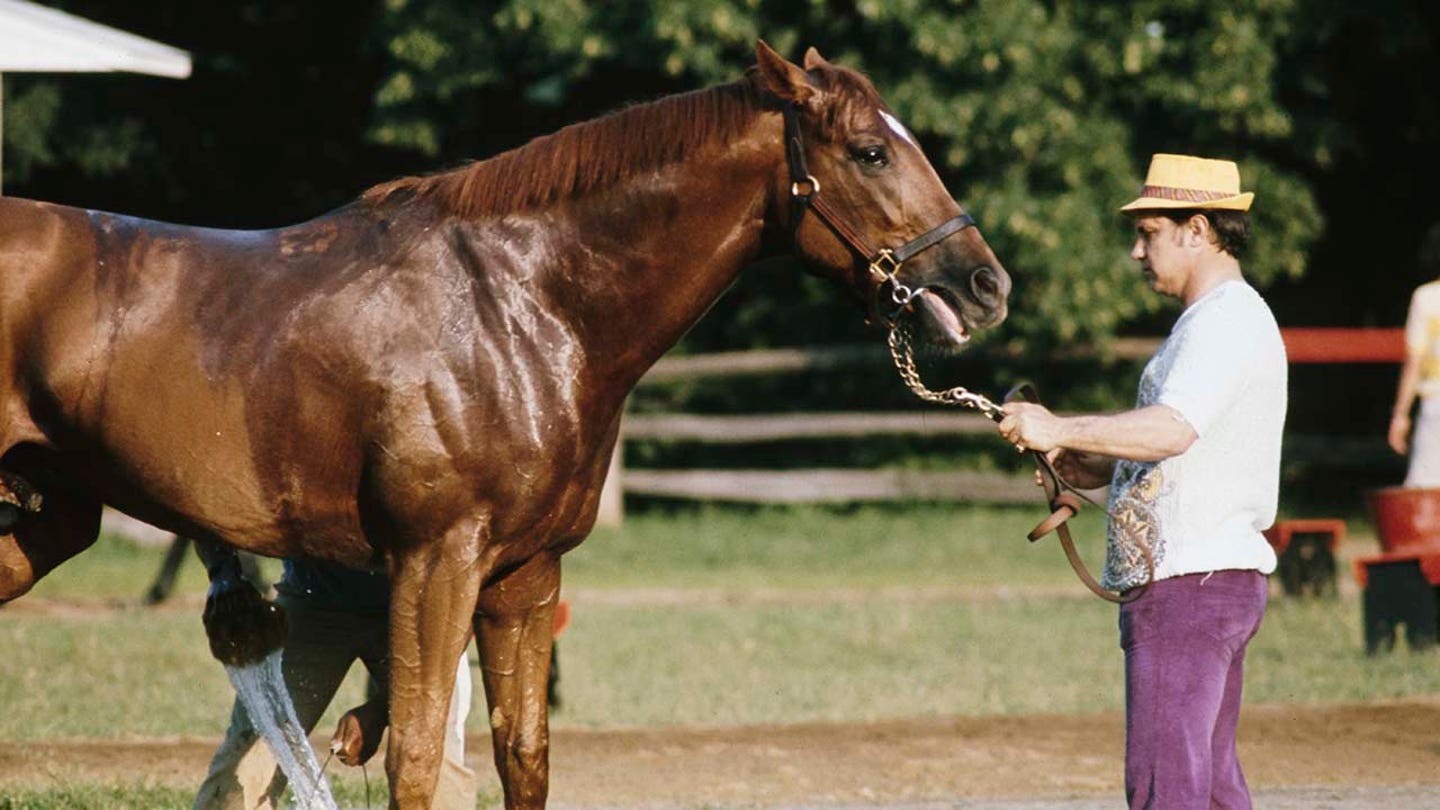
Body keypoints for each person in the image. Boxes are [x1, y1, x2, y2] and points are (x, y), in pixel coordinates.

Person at [997, 153, 1287, 809]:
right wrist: (1091, 464)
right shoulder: (1224, 319)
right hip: (1208, 581)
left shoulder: (1220, 322)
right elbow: (1181, 449)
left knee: (1167, 790)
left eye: (1149, 231)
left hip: (1186, 587)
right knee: (1209, 790)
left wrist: (1059, 428)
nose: (1136, 251)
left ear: (1197, 228)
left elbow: (1172, 429)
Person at [193, 556, 477, 810]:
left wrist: (379, 711)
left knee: (435, 773)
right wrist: (224, 574)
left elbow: (470, 578)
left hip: (421, 607)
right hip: (312, 594)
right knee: (242, 773)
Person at [1387, 223, 1440, 485]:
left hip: (1435, 404)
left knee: (1424, 491)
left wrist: (1400, 415)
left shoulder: (1427, 298)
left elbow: (1414, 363)